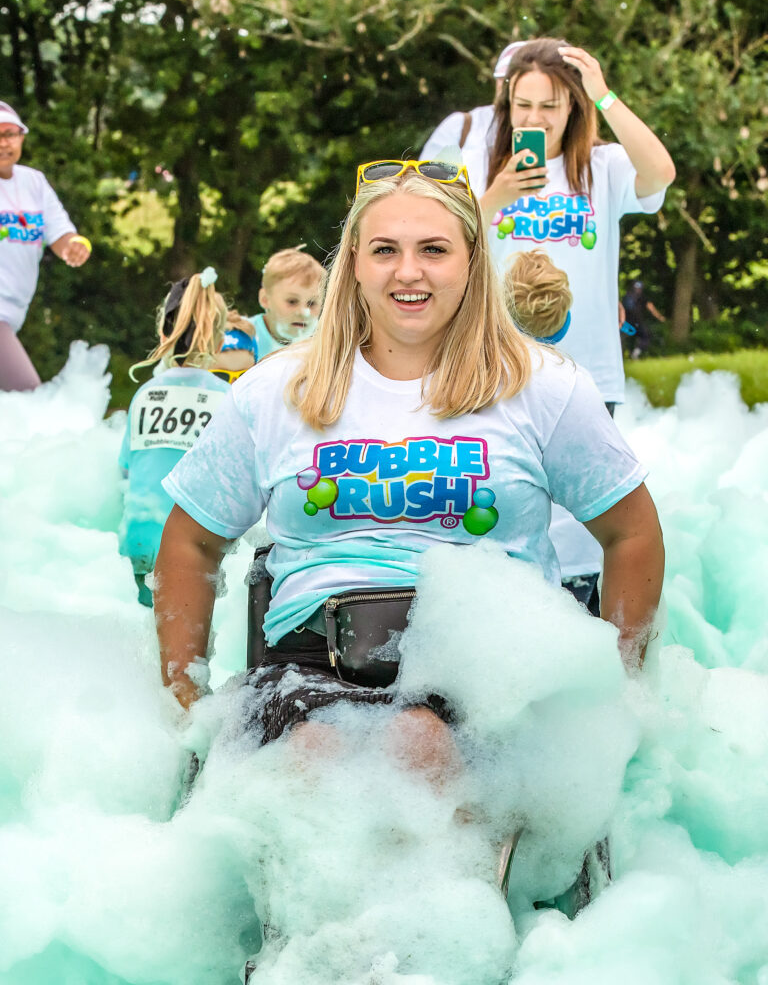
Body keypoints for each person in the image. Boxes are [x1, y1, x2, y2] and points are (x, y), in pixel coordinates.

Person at [154, 160, 664, 756]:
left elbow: (632, 534)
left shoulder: (543, 386)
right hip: (308, 666)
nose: (408, 271)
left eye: (434, 249)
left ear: (472, 261)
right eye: (384, 250)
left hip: (489, 667)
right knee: (314, 756)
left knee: (419, 746)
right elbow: (191, 543)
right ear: (353, 266)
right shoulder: (274, 391)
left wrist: (616, 696)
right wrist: (187, 706)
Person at [481, 37, 675, 409]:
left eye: (548, 106)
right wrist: (494, 198)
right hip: (500, 373)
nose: (534, 118)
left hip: (588, 377)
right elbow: (447, 244)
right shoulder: (482, 165)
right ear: (508, 105)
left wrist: (602, 95)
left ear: (572, 105)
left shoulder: (601, 166)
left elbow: (661, 173)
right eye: (523, 105)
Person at [118, 268, 231, 607]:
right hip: (188, 545)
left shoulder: (145, 394)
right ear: (220, 339)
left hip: (137, 535)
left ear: (162, 330)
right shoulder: (226, 398)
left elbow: (126, 469)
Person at [504, 249, 605, 614]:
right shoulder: (576, 385)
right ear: (565, 321)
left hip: (518, 569)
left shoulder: (488, 386)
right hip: (581, 555)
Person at [0, 101, 92, 391]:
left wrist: (74, 246)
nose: (4, 143)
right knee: (26, 395)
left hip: (13, 313)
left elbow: (60, 233)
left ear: (22, 137)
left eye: (10, 134)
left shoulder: (34, 182)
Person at [419, 41, 525, 196]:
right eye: (505, 79)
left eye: (519, 81)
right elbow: (424, 190)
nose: (509, 88)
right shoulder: (462, 126)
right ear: (496, 81)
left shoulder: (558, 129)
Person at [249, 246, 326, 360]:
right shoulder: (243, 337)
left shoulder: (323, 344)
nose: (304, 312)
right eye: (292, 301)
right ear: (265, 299)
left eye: (312, 303)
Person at [620, 279, 666, 359]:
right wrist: (660, 317)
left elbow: (620, 309)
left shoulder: (627, 296)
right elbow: (651, 308)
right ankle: (634, 353)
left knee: (624, 338)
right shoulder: (640, 297)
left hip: (627, 323)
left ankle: (628, 354)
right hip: (635, 323)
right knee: (646, 336)